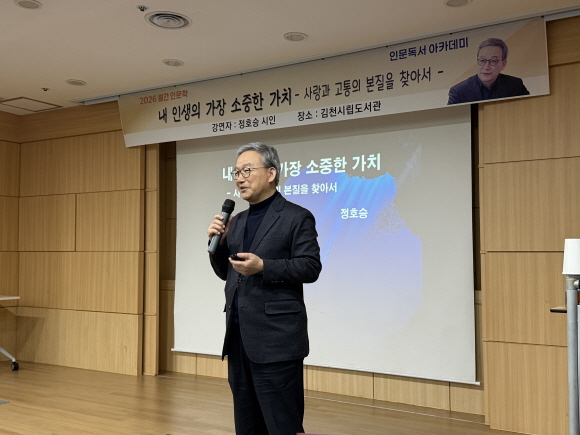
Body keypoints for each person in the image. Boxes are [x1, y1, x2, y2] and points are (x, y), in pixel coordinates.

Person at [207, 142, 322, 435]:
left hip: (276, 341)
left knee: (282, 424)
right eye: (236, 173)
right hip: (238, 338)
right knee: (246, 425)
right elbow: (226, 273)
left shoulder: (296, 216)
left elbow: (310, 267)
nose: (239, 179)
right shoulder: (237, 221)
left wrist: (264, 267)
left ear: (271, 173)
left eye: (247, 170)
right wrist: (217, 245)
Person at [448, 38, 529, 105]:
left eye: (493, 61)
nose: (486, 67)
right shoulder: (459, 91)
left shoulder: (515, 85)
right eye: (482, 60)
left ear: (503, 64)